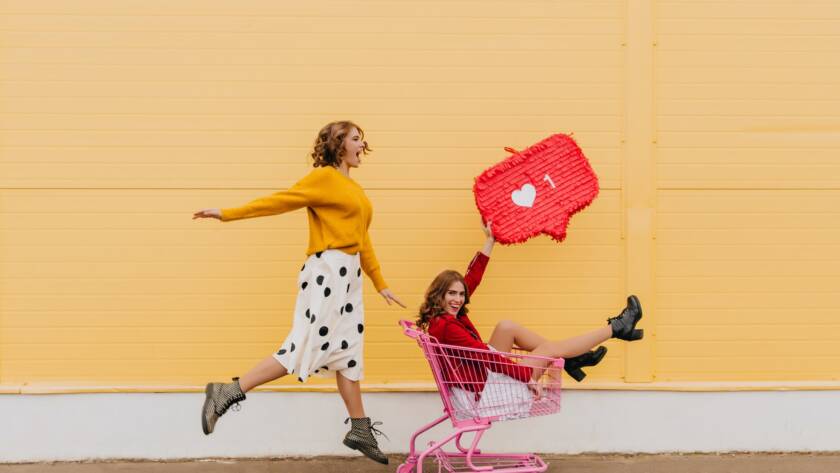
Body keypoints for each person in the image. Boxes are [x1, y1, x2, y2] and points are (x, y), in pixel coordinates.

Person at [193, 121, 404, 465]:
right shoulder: (323, 178)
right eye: (355, 139)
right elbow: (280, 201)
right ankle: (228, 392)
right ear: (338, 145)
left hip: (348, 276)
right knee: (305, 344)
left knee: (349, 351)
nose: (362, 146)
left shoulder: (357, 191)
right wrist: (228, 214)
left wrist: (381, 283)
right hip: (327, 272)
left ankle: (360, 428)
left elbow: (363, 241)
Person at [416, 221, 643, 392]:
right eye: (451, 294)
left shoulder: (441, 318)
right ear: (440, 295)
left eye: (460, 294)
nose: (457, 299)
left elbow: (472, 278)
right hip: (486, 389)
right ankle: (616, 328)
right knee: (550, 350)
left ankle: (572, 359)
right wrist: (527, 377)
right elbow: (487, 356)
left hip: (480, 376)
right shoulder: (448, 326)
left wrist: (490, 241)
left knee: (506, 327)